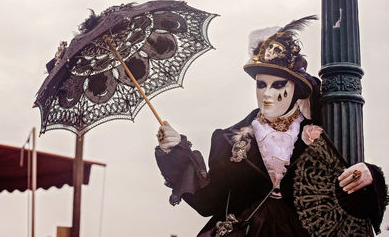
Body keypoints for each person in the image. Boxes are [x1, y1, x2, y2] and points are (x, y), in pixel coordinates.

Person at [154, 16, 388, 236]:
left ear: (296, 87)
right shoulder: (227, 139)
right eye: (261, 84)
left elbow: (343, 201)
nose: (267, 94)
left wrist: (368, 176)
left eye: (278, 85)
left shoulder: (325, 130)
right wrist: (174, 151)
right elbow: (208, 202)